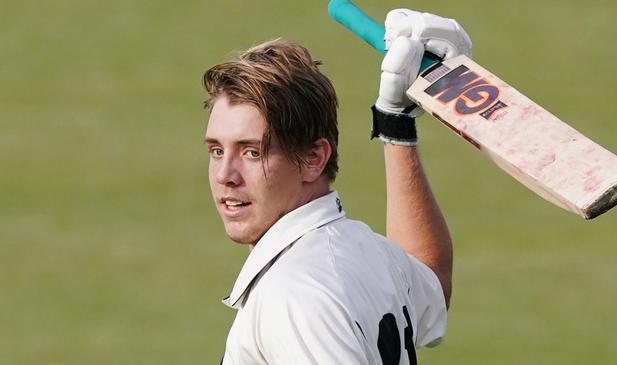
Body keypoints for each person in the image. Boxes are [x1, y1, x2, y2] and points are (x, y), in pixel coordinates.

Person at [201, 8, 472, 365]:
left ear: (314, 159)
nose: (225, 175)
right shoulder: (366, 252)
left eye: (253, 152)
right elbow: (431, 280)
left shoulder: (295, 295)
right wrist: (395, 125)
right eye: (217, 150)